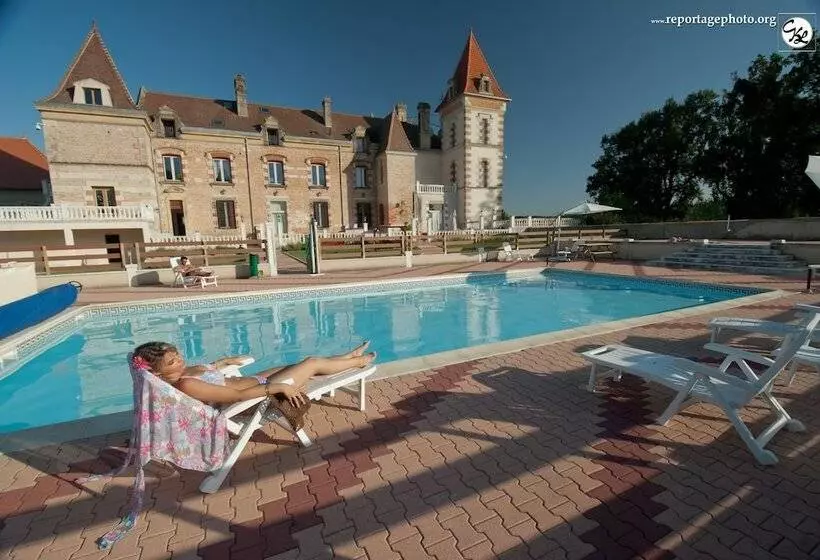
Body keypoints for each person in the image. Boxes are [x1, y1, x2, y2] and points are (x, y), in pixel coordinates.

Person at [130, 341, 376, 409]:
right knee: (310, 364)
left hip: (258, 380)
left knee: (299, 364)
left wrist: (223, 362)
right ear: (158, 372)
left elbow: (208, 370)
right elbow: (237, 396)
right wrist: (278, 389)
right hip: (258, 395)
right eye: (173, 361)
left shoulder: (182, 374)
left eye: (178, 355)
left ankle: (346, 358)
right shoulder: (186, 385)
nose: (180, 361)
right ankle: (358, 361)